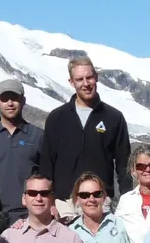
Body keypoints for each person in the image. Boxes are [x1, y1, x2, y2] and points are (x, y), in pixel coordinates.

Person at [39, 57, 132, 215]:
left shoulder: (114, 118)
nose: (86, 83)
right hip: (64, 204)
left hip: (99, 201)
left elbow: (123, 165)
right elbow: (46, 164)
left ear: (96, 77)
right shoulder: (57, 118)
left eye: (89, 77)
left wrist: (127, 202)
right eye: (79, 79)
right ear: (71, 82)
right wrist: (48, 201)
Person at [0, 79, 43, 232]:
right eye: (4, 99)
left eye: (14, 98)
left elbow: (47, 177)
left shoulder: (39, 137)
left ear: (23, 101)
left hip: (29, 215)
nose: (10, 103)